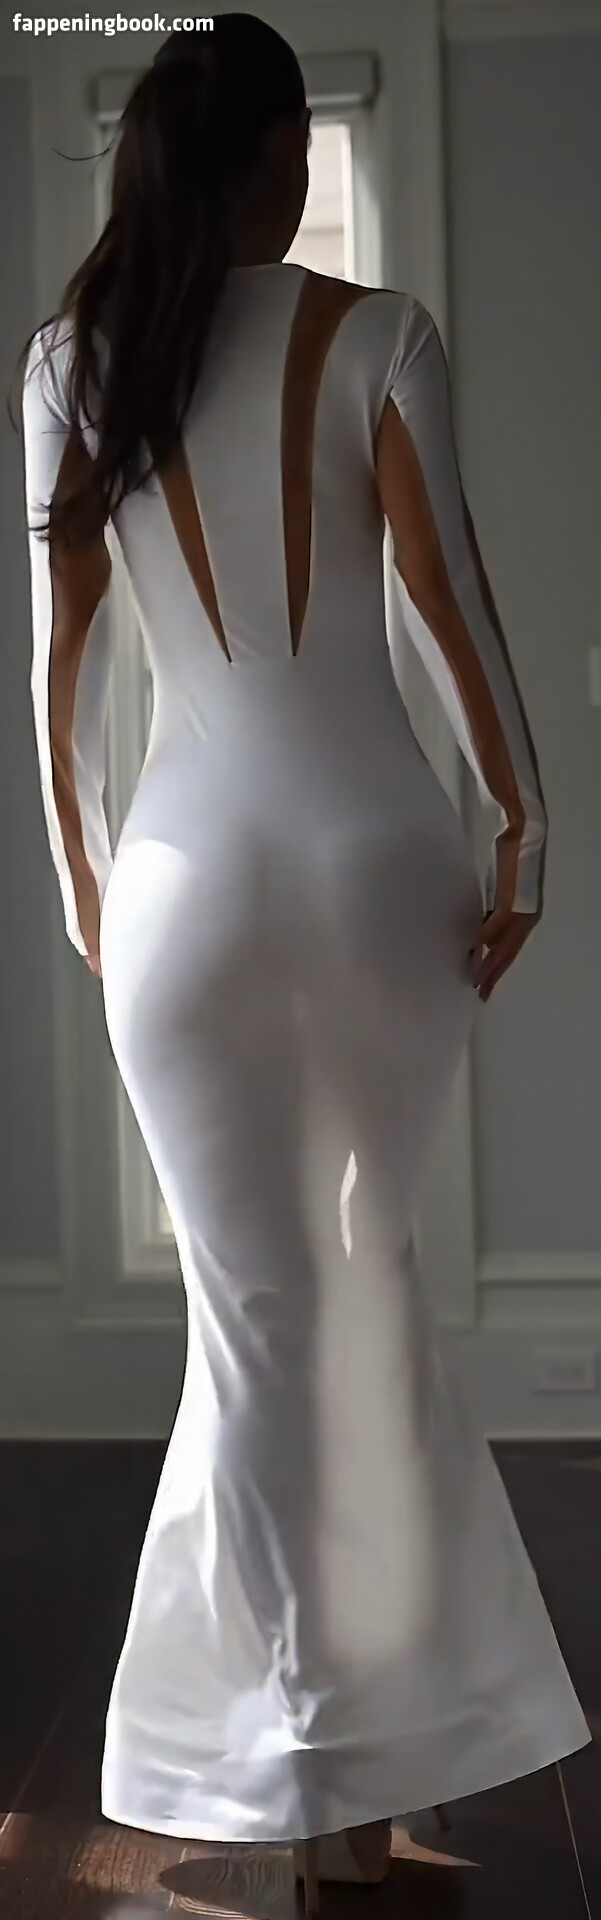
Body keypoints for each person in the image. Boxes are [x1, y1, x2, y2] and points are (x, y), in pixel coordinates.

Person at [13, 12, 590, 1912]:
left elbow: (59, 662)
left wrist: (90, 891)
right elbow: (444, 599)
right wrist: (519, 831)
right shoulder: (378, 332)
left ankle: (312, 1770)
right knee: (355, 1290)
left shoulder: (70, 363)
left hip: (178, 889)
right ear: (272, 157)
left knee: (266, 1324)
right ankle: (366, 1770)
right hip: (373, 872)